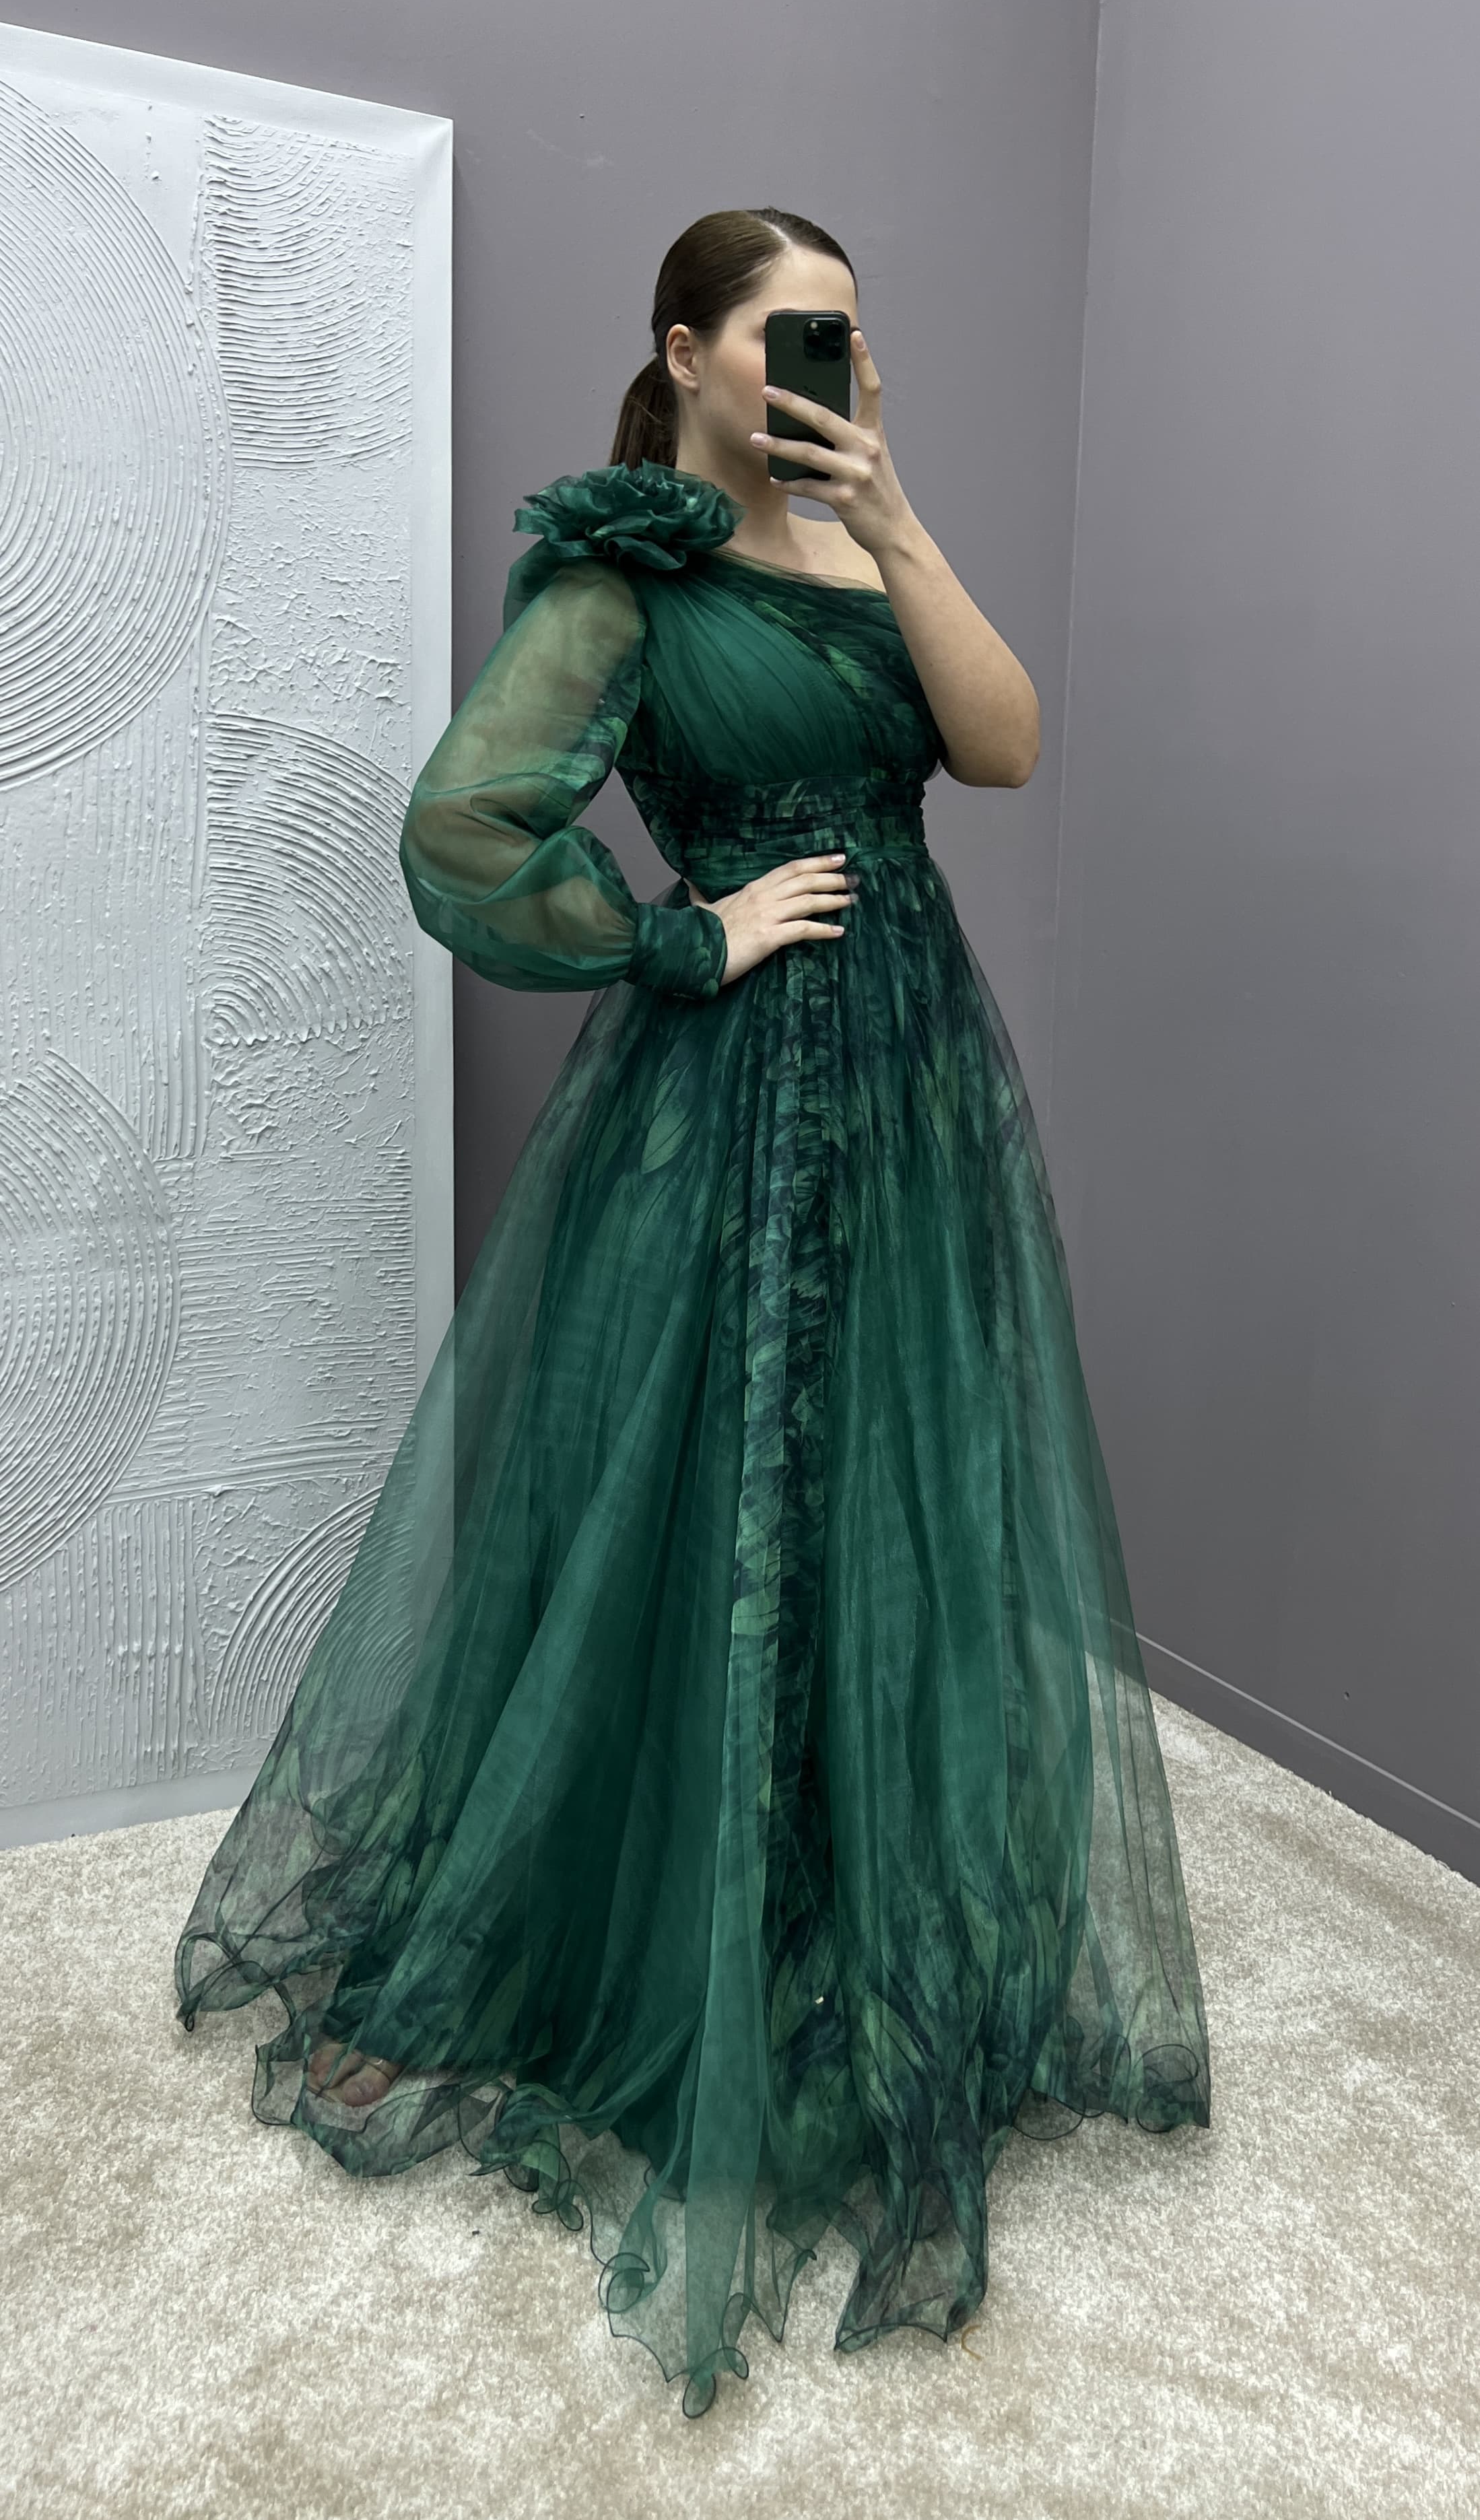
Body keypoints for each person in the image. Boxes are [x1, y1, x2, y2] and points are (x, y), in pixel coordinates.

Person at [175, 205, 1211, 2422]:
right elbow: (463, 827)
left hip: (911, 1093)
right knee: (704, 1509)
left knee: (889, 1508)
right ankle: (653, 1938)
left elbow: (1007, 748)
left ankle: (844, 1910)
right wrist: (682, 937)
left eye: (853, 335)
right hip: (730, 1103)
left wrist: (900, 515)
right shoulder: (624, 574)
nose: (830, 365)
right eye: (791, 333)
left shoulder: (868, 548)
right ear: (687, 348)